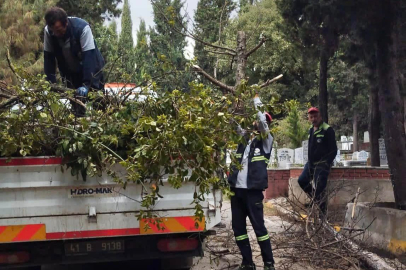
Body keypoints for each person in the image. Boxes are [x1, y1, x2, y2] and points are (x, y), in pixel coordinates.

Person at [228, 95, 275, 270]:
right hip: (236, 192)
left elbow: (262, 123)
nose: (260, 123)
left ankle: (269, 263)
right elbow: (234, 125)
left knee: (259, 229)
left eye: (263, 122)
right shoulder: (245, 140)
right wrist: (227, 106)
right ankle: (248, 263)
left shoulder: (266, 141)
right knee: (238, 230)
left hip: (253, 192)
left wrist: (257, 102)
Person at [43, 7, 105, 101]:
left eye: (59, 30)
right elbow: (48, 59)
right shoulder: (48, 31)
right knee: (77, 106)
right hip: (71, 74)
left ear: (66, 23)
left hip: (93, 70)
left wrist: (86, 84)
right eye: (53, 31)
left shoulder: (82, 28)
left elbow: (89, 58)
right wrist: (51, 85)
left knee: (98, 101)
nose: (56, 34)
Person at [298, 107, 338, 215]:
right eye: (311, 117)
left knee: (320, 187)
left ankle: (322, 215)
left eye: (316, 116)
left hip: (322, 164)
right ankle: (316, 200)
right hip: (311, 163)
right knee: (302, 180)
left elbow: (333, 150)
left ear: (320, 116)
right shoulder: (311, 129)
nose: (314, 119)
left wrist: (327, 163)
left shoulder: (327, 129)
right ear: (309, 118)